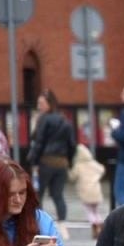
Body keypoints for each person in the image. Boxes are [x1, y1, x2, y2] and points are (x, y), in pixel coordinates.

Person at [26, 91, 77, 222]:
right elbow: (72, 144)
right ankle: (62, 221)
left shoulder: (44, 119)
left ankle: (38, 222)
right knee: (58, 195)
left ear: (50, 103)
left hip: (45, 161)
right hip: (62, 163)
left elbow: (39, 142)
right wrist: (69, 161)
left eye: (41, 103)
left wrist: (33, 161)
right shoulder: (65, 120)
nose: (39, 106)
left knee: (37, 194)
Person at [69, 145, 106, 239]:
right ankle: (100, 224)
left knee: (89, 211)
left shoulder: (78, 166)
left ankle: (94, 225)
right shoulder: (94, 164)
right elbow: (102, 169)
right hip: (96, 191)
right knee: (96, 210)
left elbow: (72, 177)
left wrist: (68, 171)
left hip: (85, 192)